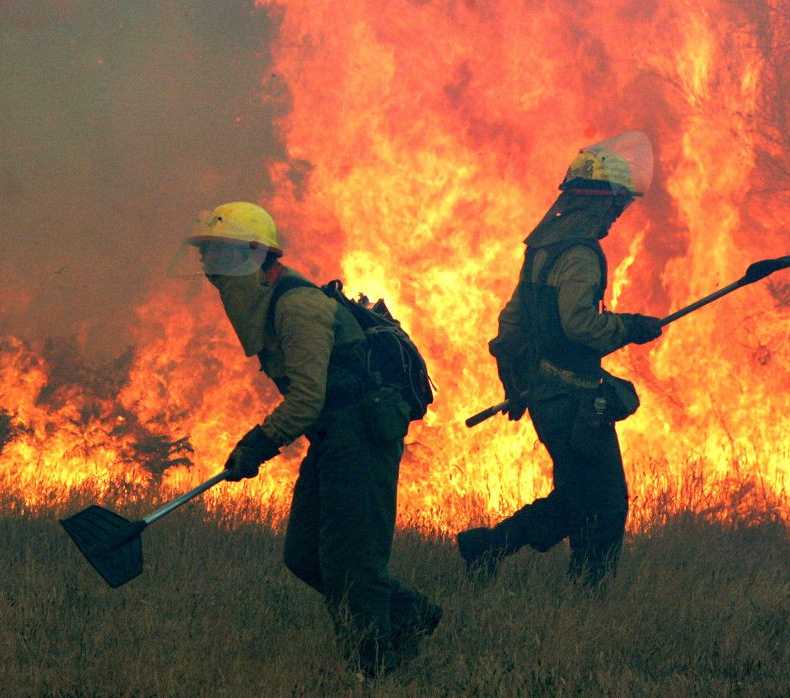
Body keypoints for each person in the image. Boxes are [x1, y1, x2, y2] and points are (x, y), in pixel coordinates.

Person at [182, 201, 441, 678]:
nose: (213, 269)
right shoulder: (270, 302)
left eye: (224, 256)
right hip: (332, 439)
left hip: (361, 436)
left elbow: (305, 399)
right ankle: (409, 614)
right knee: (303, 555)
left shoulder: (297, 306)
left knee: (353, 566)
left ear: (258, 257)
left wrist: (256, 446)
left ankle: (373, 672)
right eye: (208, 256)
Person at [456, 132, 664, 586]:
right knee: (606, 504)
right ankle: (588, 596)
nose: (617, 215)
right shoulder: (580, 254)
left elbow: (511, 323)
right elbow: (581, 326)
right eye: (618, 205)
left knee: (575, 497)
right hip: (575, 403)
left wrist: (515, 385)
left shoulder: (542, 249)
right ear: (600, 202)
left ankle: (487, 549)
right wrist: (631, 327)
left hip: (548, 398)